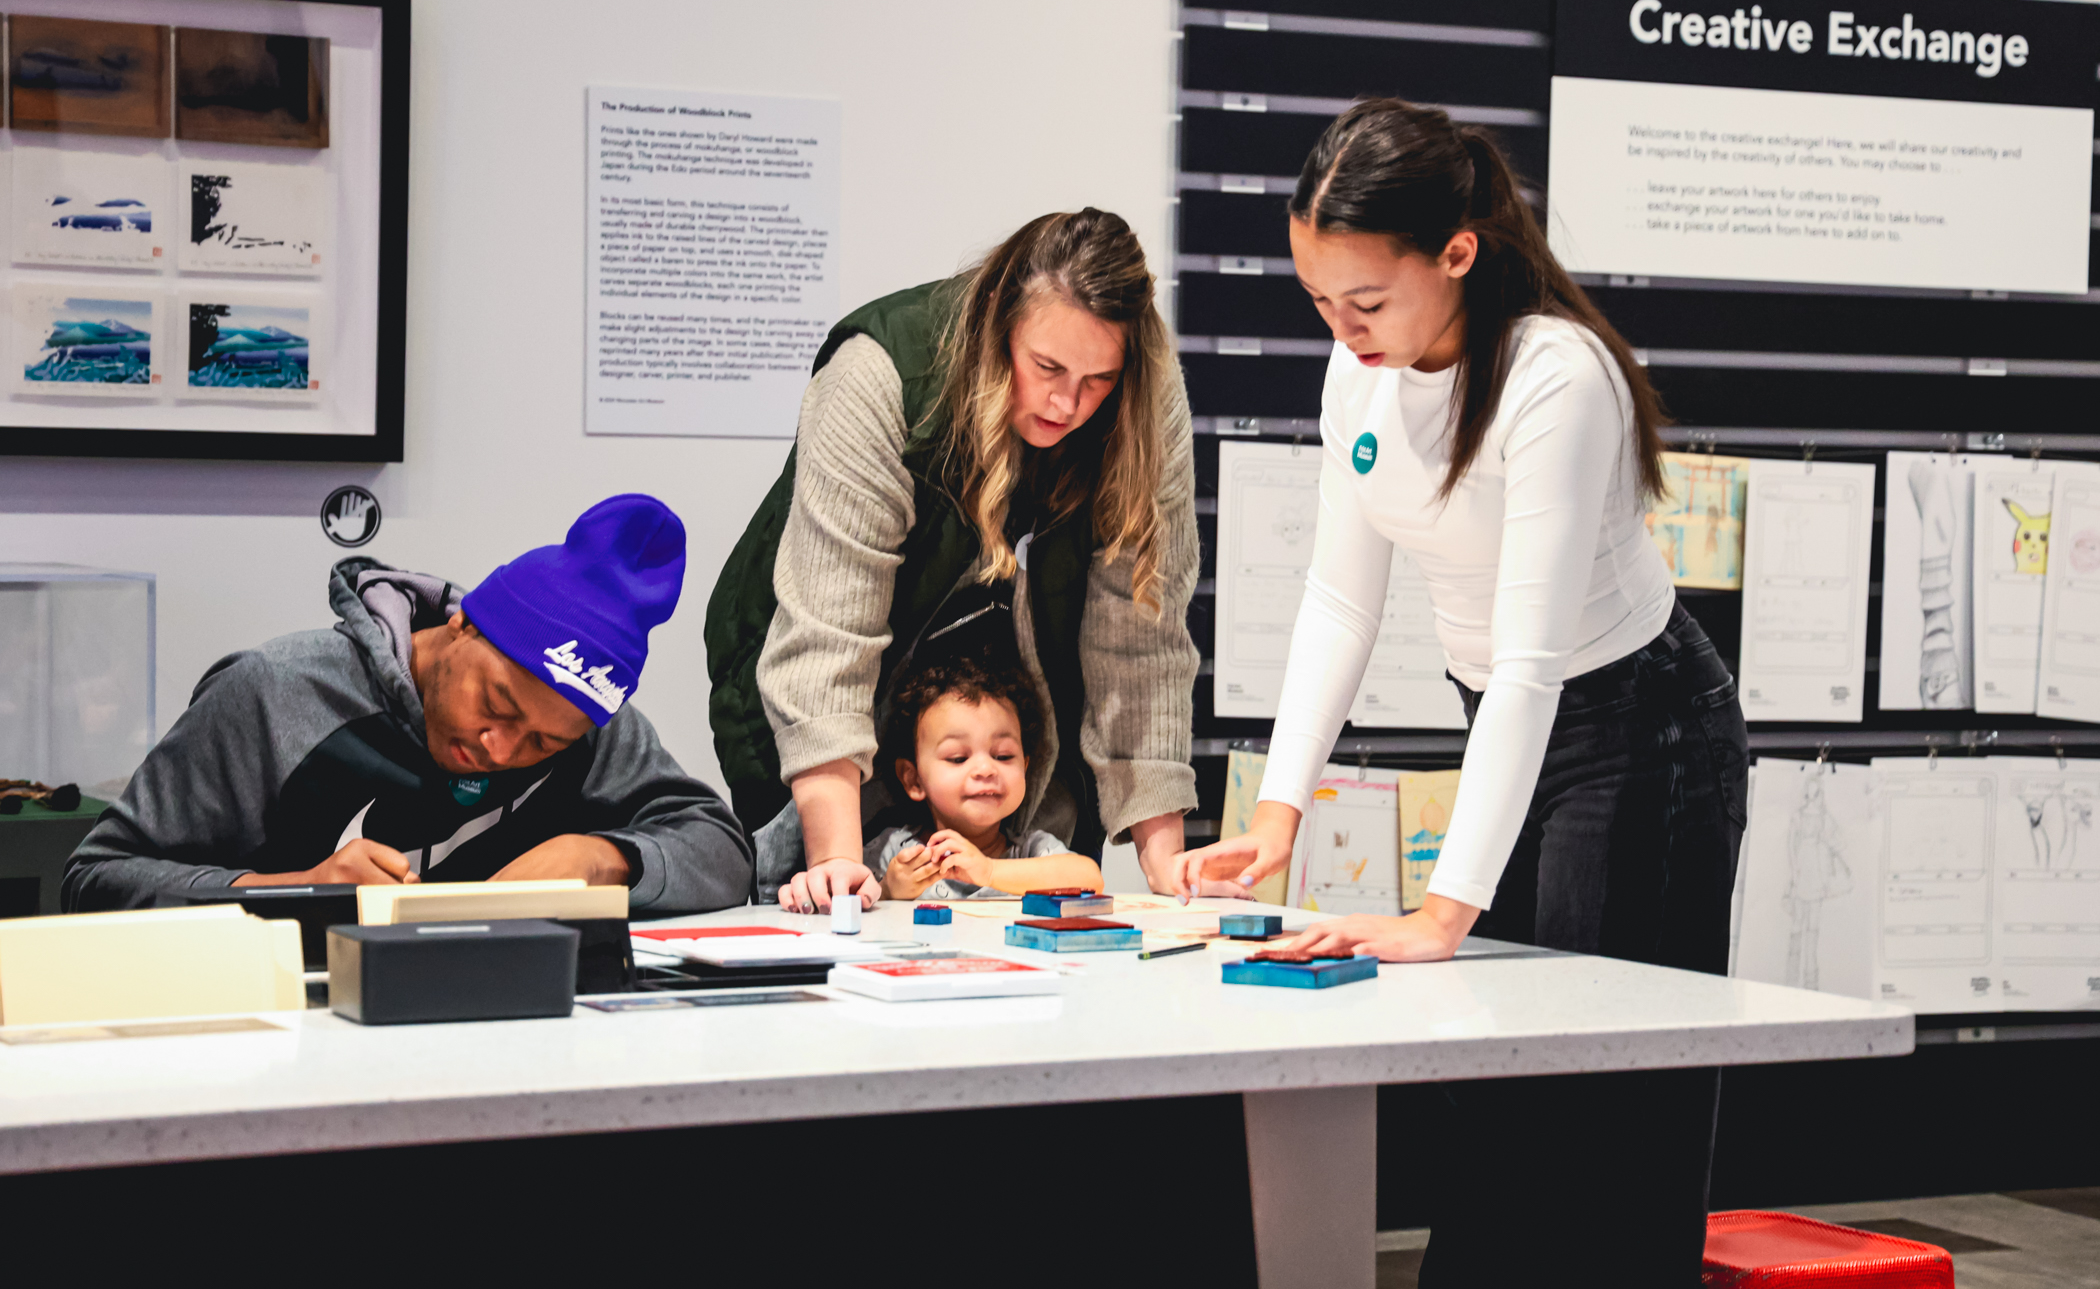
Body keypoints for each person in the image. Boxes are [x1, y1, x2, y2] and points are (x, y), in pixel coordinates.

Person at [1170, 99, 1748, 1286]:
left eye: (1365, 300)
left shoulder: (1555, 377)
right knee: (1497, 1077)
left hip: (1642, 728)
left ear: (1457, 252)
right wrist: (1278, 813)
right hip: (1507, 717)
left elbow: (1537, 660)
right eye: (1318, 300)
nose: (1340, 328)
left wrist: (1441, 914)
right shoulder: (1359, 374)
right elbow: (1340, 599)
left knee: (1603, 1096)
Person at [706, 208, 1209, 915]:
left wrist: (1168, 862)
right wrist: (840, 866)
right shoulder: (879, 377)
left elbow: (1143, 639)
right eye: (1048, 367)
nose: (1068, 402)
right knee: (831, 903)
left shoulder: (1147, 399)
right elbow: (830, 635)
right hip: (820, 687)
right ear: (1000, 323)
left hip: (1001, 706)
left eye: (1098, 379)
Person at [64, 495, 752, 914]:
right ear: (462, 624)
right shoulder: (276, 691)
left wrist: (604, 858)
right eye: (497, 704)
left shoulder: (592, 728)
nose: (501, 749)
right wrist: (294, 888)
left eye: (544, 744)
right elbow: (97, 879)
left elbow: (723, 850)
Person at [868, 651, 1103, 901]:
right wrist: (887, 890)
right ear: (913, 780)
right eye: (958, 758)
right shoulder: (895, 852)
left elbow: (1090, 879)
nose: (986, 769)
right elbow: (843, 906)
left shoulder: (1028, 852)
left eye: (1003, 756)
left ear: (1025, 768)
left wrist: (989, 870)